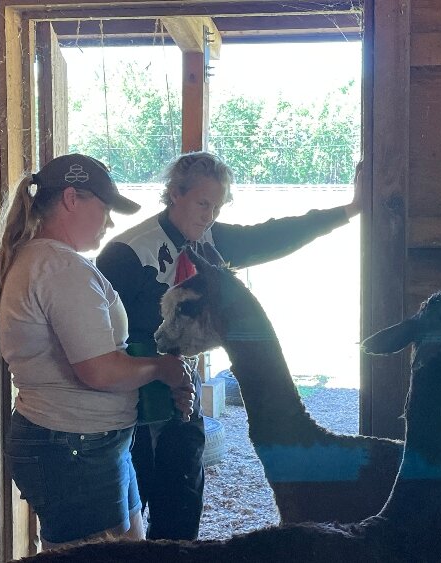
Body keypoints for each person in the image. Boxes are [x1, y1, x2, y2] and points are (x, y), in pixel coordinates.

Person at [96, 151, 362, 541]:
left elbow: (271, 235)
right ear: (175, 194)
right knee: (132, 523)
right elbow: (103, 335)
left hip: (181, 401)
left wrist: (350, 210)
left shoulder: (207, 242)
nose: (210, 215)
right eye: (203, 203)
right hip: (133, 407)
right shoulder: (127, 253)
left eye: (217, 207)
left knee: (182, 514)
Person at [0, 153, 195, 549]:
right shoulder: (59, 269)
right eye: (105, 208)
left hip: (85, 441)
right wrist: (161, 368)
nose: (110, 222)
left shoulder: (45, 260)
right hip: (74, 445)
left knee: (130, 545)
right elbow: (99, 371)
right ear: (71, 199)